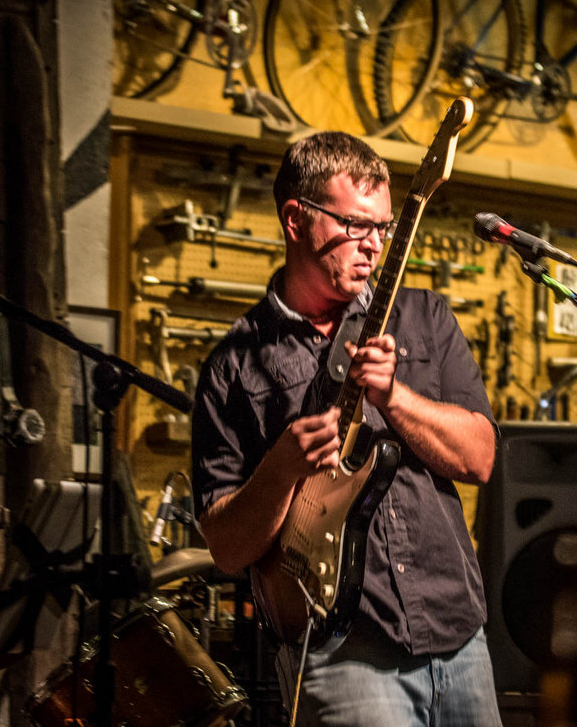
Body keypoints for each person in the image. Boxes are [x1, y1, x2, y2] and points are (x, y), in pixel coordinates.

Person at [191, 132, 503, 726]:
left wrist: (395, 397)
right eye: (357, 225)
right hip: (340, 650)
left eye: (383, 227)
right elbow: (226, 547)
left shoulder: (424, 317)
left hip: (457, 633)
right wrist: (281, 470)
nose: (375, 245)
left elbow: (480, 458)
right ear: (295, 220)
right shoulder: (233, 367)